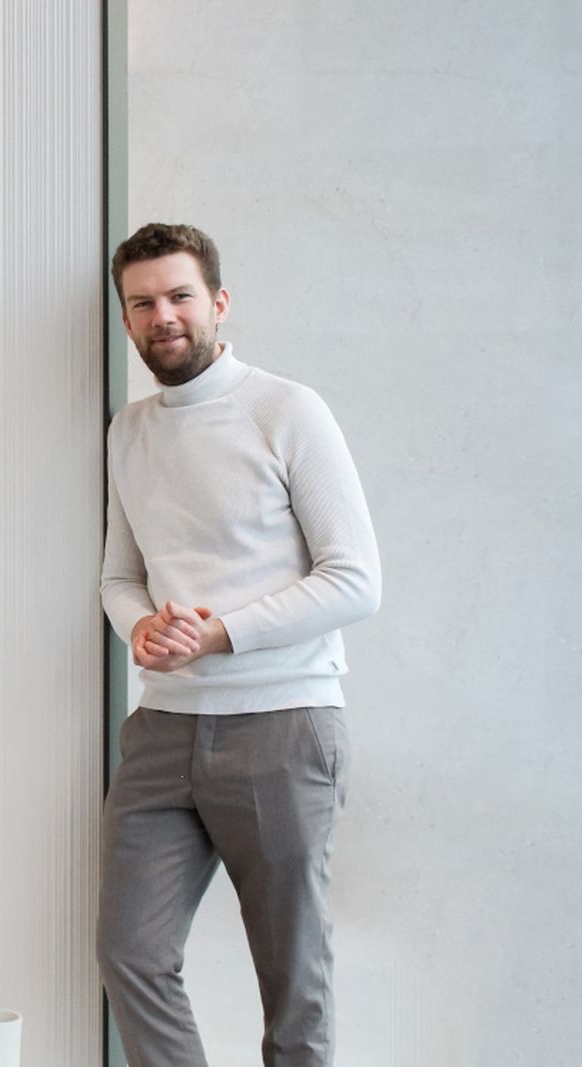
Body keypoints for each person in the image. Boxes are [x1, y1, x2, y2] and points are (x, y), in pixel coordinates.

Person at [96, 223, 382, 1067]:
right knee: (131, 954)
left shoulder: (287, 410)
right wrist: (141, 626)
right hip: (163, 733)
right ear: (126, 319)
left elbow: (355, 579)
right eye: (142, 303)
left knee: (294, 984)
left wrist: (218, 634)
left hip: (282, 724)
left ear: (219, 302)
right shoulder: (128, 431)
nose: (163, 315)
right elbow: (119, 576)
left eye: (180, 296)